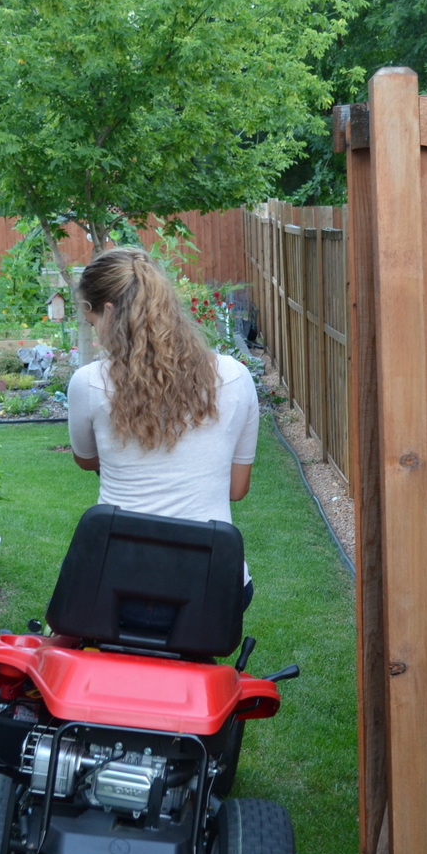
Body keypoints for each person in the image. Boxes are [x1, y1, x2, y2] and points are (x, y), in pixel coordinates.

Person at [67, 246, 260, 612]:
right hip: (213, 585)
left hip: (116, 585)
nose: (96, 337)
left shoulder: (88, 383)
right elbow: (236, 489)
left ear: (107, 311)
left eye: (93, 324)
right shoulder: (235, 376)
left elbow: (86, 460)